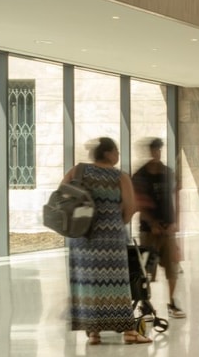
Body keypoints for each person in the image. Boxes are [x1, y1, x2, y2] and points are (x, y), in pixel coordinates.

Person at [64, 137, 148, 345]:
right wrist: (114, 220)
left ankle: (94, 332)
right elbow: (130, 208)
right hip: (110, 238)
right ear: (108, 153)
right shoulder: (119, 176)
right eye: (116, 151)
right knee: (116, 283)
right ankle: (129, 331)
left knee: (88, 283)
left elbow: (61, 197)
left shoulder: (77, 171)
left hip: (82, 236)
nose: (118, 154)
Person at [131, 137, 184, 318]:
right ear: (150, 151)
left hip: (167, 228)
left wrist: (175, 222)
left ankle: (172, 303)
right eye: (154, 150)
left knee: (171, 268)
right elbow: (138, 202)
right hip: (148, 231)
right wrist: (152, 223)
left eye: (159, 150)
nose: (157, 153)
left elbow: (176, 196)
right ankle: (145, 305)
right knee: (146, 270)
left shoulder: (167, 173)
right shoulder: (140, 175)